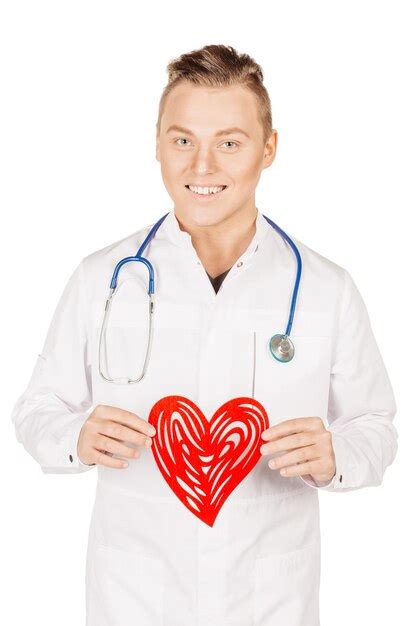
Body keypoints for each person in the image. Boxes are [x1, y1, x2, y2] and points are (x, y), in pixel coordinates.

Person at [11, 44, 398, 626]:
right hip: (135, 595)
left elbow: (375, 426)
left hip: (270, 598)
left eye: (230, 143)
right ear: (158, 145)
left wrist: (337, 453)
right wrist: (76, 435)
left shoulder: (325, 288)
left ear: (268, 148)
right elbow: (37, 409)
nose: (201, 167)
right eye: (183, 139)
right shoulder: (103, 278)